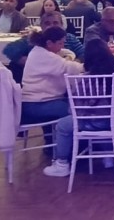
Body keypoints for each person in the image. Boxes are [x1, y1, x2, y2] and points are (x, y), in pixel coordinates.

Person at [42, 39, 114, 178]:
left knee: (63, 125)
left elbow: (77, 107)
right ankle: (108, 156)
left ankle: (61, 163)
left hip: (97, 121)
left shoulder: (87, 78)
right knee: (104, 120)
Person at [21, 26, 83, 163]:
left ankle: (72, 149)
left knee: (75, 106)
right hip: (36, 105)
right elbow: (69, 67)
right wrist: (90, 66)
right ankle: (68, 154)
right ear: (49, 43)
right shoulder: (43, 56)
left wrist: (67, 54)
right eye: (60, 43)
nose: (62, 46)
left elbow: (65, 57)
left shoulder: (38, 51)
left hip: (37, 101)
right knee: (78, 112)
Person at [3, 11, 84, 83]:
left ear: (61, 25)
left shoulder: (70, 38)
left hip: (65, 78)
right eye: (47, 23)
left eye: (55, 23)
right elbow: (9, 49)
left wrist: (74, 62)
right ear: (41, 26)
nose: (51, 26)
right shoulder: (33, 39)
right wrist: (28, 61)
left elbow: (84, 53)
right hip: (39, 81)